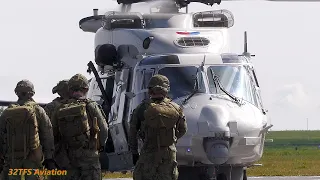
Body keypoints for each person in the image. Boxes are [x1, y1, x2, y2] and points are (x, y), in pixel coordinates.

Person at [128, 74, 187, 180]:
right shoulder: (176, 108)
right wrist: (171, 140)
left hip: (148, 152)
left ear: (150, 90)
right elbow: (183, 129)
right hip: (169, 154)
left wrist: (134, 152)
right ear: (166, 90)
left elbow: (132, 132)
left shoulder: (141, 108)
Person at [51, 73, 108, 180]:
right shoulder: (91, 105)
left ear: (70, 89)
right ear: (86, 89)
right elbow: (103, 129)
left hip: (69, 158)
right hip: (89, 157)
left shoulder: (59, 108)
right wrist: (98, 147)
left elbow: (53, 135)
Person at [0, 80, 56, 180]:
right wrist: (49, 157)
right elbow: (47, 134)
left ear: (17, 92)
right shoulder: (38, 110)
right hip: (33, 158)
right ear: (32, 93)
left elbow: (1, 135)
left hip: (13, 158)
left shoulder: (7, 112)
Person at [44, 80, 69, 180]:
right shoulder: (81, 105)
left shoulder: (50, 107)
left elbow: (45, 132)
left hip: (57, 154)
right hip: (79, 153)